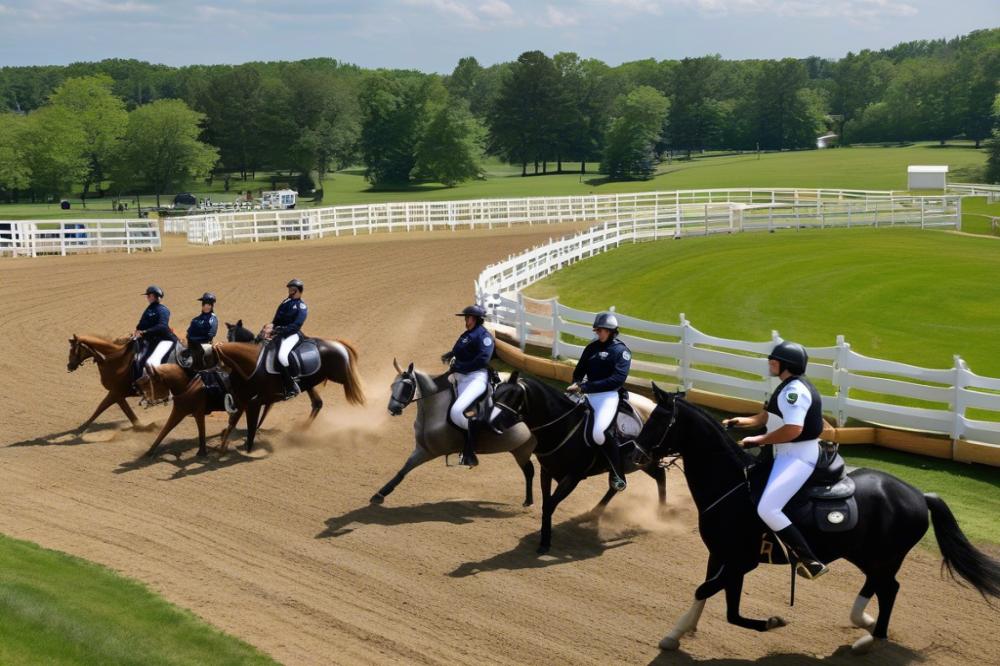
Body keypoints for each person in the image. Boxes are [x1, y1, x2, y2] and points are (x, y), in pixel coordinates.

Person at [723, 341, 829, 580]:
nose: (770, 363)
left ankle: (810, 560)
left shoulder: (794, 392)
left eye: (775, 360)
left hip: (798, 456)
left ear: (786, 365)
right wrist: (740, 422)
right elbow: (766, 417)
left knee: (768, 508)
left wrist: (758, 440)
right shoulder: (785, 385)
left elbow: (793, 429)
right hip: (781, 452)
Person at [567, 312, 632, 491]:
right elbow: (579, 370)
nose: (598, 333)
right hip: (586, 393)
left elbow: (617, 380)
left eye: (601, 330)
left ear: (610, 331)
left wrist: (585, 387)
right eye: (597, 330)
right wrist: (576, 382)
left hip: (607, 396)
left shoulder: (621, 352)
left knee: (598, 433)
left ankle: (618, 474)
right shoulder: (592, 347)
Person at [442, 304, 494, 468]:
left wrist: (461, 367)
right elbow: (460, 349)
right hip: (460, 376)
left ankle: (473, 443)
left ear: (475, 319)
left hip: (475, 378)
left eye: (468, 317)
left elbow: (483, 359)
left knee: (457, 411)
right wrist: (451, 354)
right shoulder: (467, 334)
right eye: (466, 317)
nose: (465, 319)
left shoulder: (484, 336)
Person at [265, 279, 308, 400]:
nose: (289, 291)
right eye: (289, 289)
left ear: (298, 291)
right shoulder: (286, 302)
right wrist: (271, 326)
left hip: (292, 335)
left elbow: (296, 325)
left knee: (282, 356)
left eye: (292, 289)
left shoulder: (301, 306)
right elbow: (277, 318)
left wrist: (280, 330)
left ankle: (291, 386)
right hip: (279, 333)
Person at [133, 285, 177, 377]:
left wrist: (145, 332)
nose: (147, 297)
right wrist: (137, 330)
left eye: (149, 295)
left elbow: (162, 327)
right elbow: (141, 323)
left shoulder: (163, 310)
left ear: (156, 296)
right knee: (138, 360)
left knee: (152, 363)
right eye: (147, 295)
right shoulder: (149, 308)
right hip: (152, 340)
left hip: (165, 340)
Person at [186, 292, 218, 367]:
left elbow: (210, 335)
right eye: (204, 305)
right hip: (191, 345)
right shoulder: (195, 319)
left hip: (204, 346)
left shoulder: (213, 319)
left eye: (208, 305)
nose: (206, 307)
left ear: (211, 306)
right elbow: (189, 332)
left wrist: (194, 339)